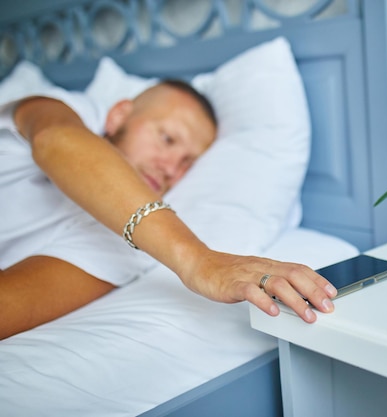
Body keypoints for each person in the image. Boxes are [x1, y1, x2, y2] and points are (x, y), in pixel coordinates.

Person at [0, 80, 336, 340]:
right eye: (168, 139)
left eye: (187, 162)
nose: (170, 168)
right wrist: (197, 259)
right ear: (119, 115)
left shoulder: (131, 245)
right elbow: (54, 139)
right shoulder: (67, 111)